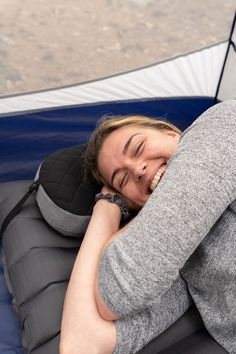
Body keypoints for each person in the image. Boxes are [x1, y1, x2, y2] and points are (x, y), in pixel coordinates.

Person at [60, 100, 236, 354]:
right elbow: (81, 344)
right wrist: (107, 208)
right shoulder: (175, 260)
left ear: (170, 132)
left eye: (139, 147)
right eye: (122, 180)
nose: (138, 169)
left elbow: (119, 292)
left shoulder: (222, 126)